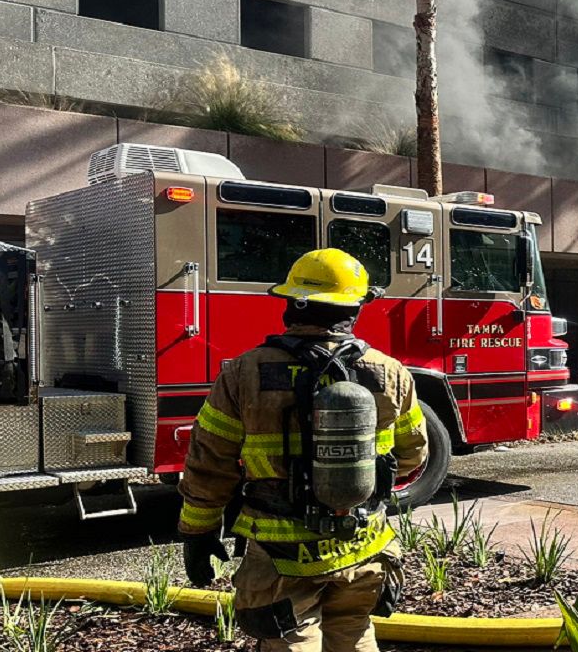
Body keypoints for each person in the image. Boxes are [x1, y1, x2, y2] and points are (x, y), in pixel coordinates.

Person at [177, 248, 429, 652]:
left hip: (280, 555)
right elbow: (414, 455)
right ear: (355, 309)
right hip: (363, 546)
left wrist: (198, 532)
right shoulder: (390, 372)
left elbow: (209, 465)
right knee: (356, 634)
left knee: (291, 642)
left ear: (291, 306)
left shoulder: (244, 372)